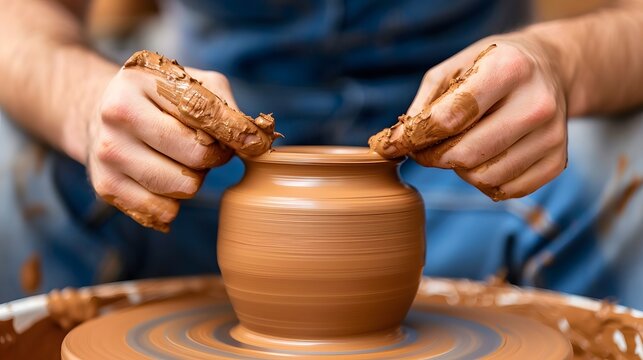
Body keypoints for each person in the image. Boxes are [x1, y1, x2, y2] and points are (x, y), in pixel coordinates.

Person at [1, 0, 643, 309]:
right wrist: (85, 104)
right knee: (14, 168)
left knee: (630, 169)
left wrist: (563, 64)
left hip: (470, 158)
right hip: (196, 163)